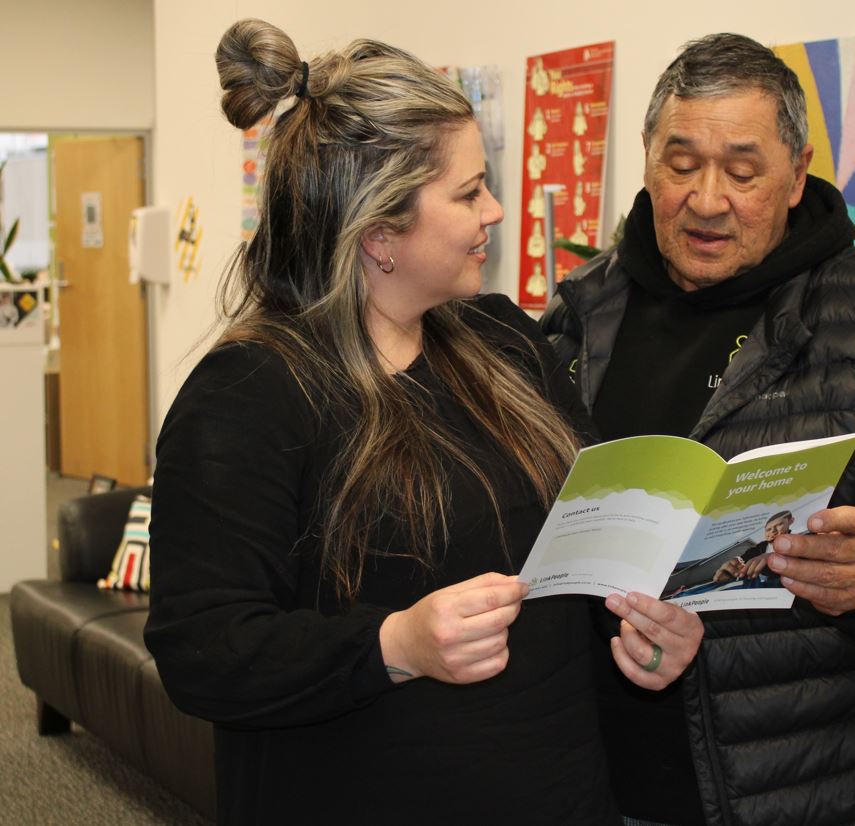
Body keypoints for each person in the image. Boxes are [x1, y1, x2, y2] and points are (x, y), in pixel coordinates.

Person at [143, 20, 702, 825]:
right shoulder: (250, 394)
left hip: (560, 789)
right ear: (378, 233)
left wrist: (651, 633)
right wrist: (393, 646)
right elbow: (204, 650)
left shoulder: (503, 339)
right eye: (469, 192)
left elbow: (588, 542)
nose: (497, 210)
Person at [541, 33, 855, 826]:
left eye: (742, 170)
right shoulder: (581, 312)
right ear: (647, 160)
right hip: (611, 782)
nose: (706, 198)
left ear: (795, 177)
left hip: (833, 789)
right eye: (680, 163)